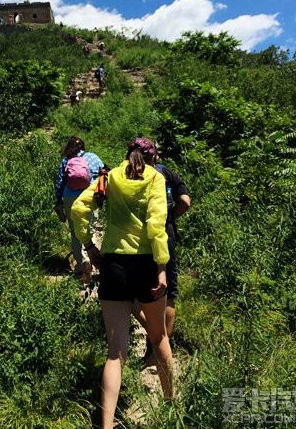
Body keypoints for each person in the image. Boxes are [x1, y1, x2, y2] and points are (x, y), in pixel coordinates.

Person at [72, 138, 175, 428]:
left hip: (114, 264)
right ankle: (171, 406)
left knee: (115, 352)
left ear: (127, 155)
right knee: (159, 338)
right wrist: (161, 267)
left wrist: (89, 245)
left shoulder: (110, 176)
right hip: (144, 263)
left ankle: (105, 425)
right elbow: (156, 224)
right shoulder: (154, 178)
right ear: (152, 159)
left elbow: (80, 208)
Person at [133, 149, 191, 367]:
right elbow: (185, 201)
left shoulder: (127, 173)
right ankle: (160, 350)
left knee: (135, 294)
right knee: (168, 292)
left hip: (136, 241)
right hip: (165, 236)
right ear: (155, 156)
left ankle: (152, 342)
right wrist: (169, 219)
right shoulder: (166, 172)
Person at [54, 137, 104, 281]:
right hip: (90, 196)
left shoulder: (66, 160)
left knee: (75, 231)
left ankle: (82, 266)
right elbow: (104, 174)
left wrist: (58, 202)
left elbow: (59, 183)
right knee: (91, 228)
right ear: (83, 146)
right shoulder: (93, 157)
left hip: (70, 196)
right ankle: (93, 259)